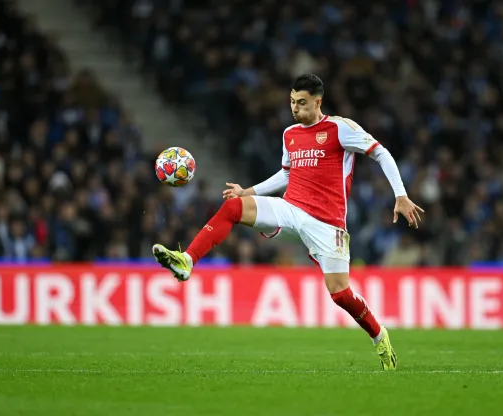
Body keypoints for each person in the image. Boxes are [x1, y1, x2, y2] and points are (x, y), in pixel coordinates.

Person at [152, 74, 424, 371]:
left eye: (302, 103)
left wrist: (401, 195)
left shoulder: (340, 128)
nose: (295, 108)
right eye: (292, 102)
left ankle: (378, 335)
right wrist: (248, 192)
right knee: (233, 207)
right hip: (291, 208)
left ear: (317, 102)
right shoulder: (290, 134)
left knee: (340, 294)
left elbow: (380, 153)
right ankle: (187, 260)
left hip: (327, 223)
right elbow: (286, 175)